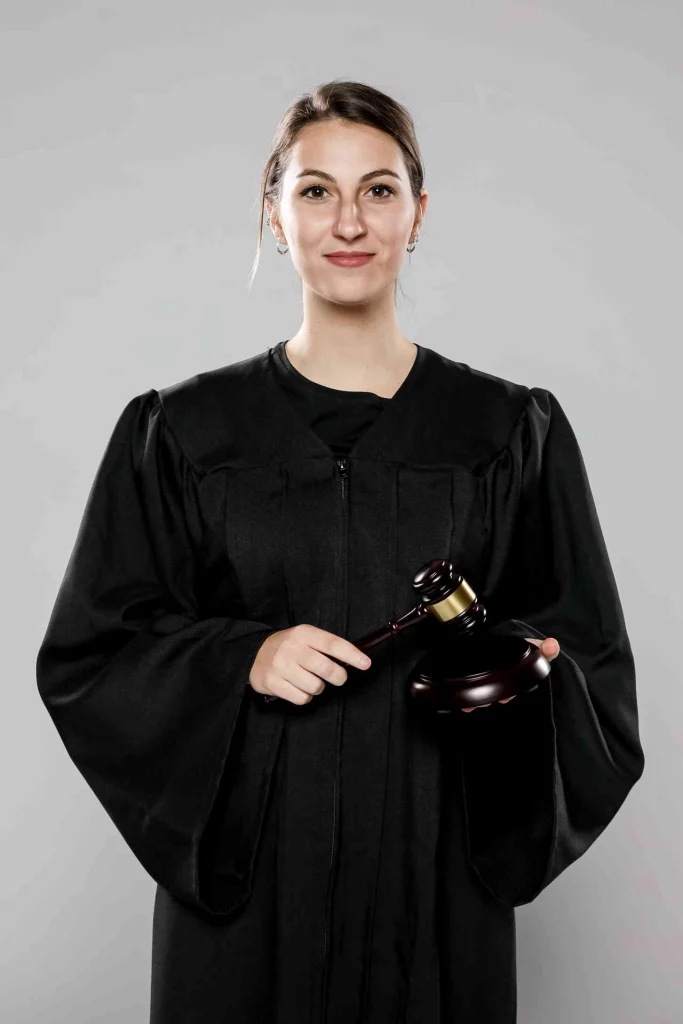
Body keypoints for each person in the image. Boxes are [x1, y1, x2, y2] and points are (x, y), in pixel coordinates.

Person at [35, 79, 645, 1024]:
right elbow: (93, 654)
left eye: (379, 190)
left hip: (432, 880)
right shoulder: (183, 433)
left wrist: (528, 674)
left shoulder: (505, 432)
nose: (348, 222)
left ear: (417, 213)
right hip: (249, 897)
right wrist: (242, 656)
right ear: (274, 215)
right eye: (315, 191)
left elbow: (588, 662)